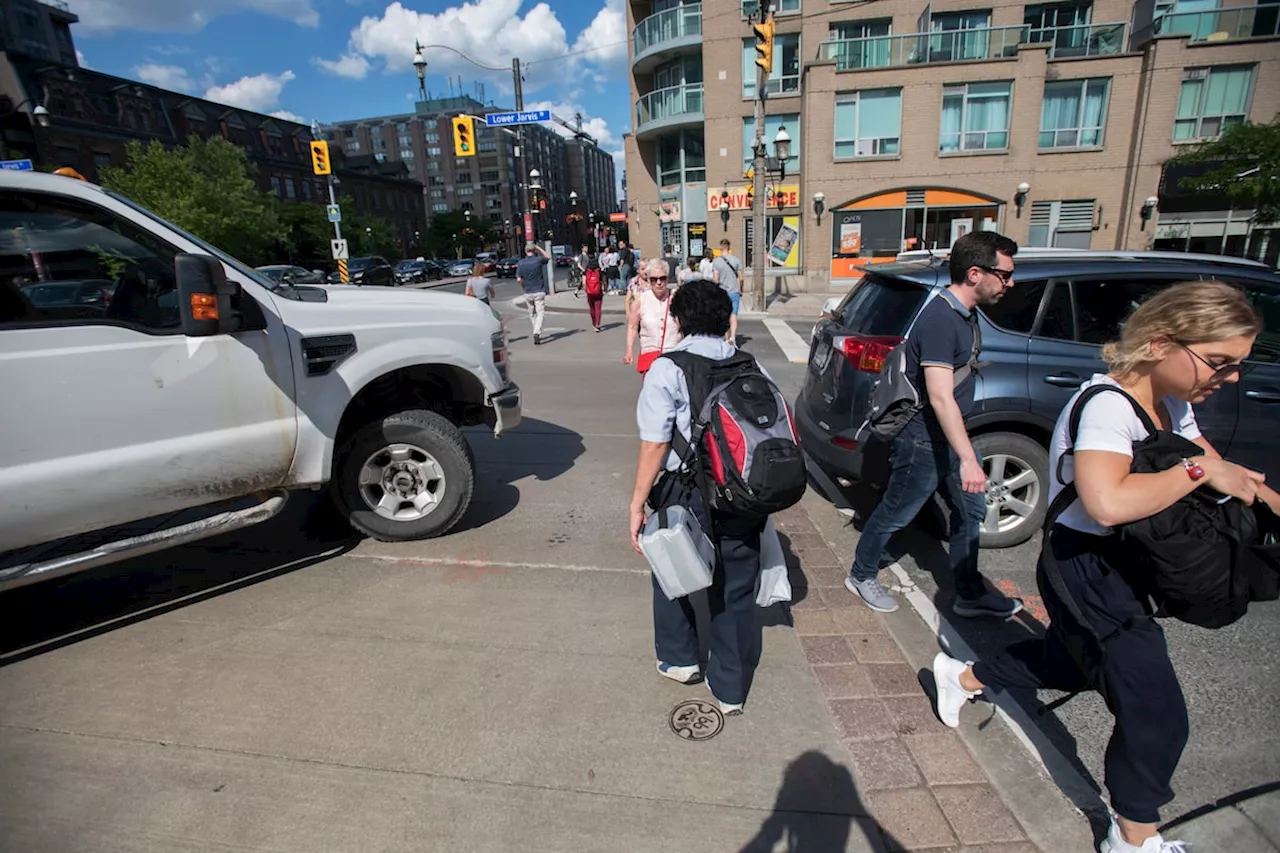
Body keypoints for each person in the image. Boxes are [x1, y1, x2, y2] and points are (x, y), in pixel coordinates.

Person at [931, 282, 1274, 853]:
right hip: (1081, 565)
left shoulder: (1175, 403)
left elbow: (1222, 470)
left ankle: (962, 676)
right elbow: (1107, 502)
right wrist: (1198, 475)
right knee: (1156, 710)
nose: (1231, 377)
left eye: (1239, 364)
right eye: (1219, 362)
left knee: (1074, 664)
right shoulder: (1108, 407)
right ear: (1162, 344)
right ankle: (1134, 836)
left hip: (1124, 562)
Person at [845, 231, 1024, 618]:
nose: (1010, 283)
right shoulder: (941, 320)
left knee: (971, 510)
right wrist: (970, 460)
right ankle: (861, 574)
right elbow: (940, 396)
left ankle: (969, 593)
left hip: (946, 438)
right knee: (897, 511)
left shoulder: (964, 314)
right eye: (1005, 274)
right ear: (976, 273)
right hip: (923, 440)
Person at [629, 279, 767, 714]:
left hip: (684, 491)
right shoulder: (749, 364)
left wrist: (636, 504)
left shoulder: (668, 369)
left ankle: (680, 659)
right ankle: (729, 689)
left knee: (673, 572)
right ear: (727, 319)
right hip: (740, 493)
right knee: (735, 587)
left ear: (678, 320)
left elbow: (655, 444)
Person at [624, 258, 678, 375]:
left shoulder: (677, 298)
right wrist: (629, 351)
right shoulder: (640, 300)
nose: (659, 282)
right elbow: (632, 327)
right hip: (650, 358)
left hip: (674, 357)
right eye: (654, 279)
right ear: (648, 280)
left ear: (667, 278)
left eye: (662, 278)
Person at [516, 242, 551, 345]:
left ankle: (537, 332)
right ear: (534, 251)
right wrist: (538, 247)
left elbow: (518, 279)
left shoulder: (521, 263)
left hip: (528, 291)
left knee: (532, 313)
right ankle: (537, 332)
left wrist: (523, 286)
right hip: (539, 290)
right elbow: (548, 257)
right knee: (540, 312)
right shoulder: (538, 260)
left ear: (525, 251)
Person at [711, 239, 742, 344]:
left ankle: (726, 339)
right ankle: (733, 337)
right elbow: (741, 278)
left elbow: (715, 279)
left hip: (722, 292)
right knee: (733, 315)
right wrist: (740, 289)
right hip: (734, 291)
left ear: (721, 248)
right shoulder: (736, 260)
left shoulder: (716, 262)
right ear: (729, 247)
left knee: (724, 316)